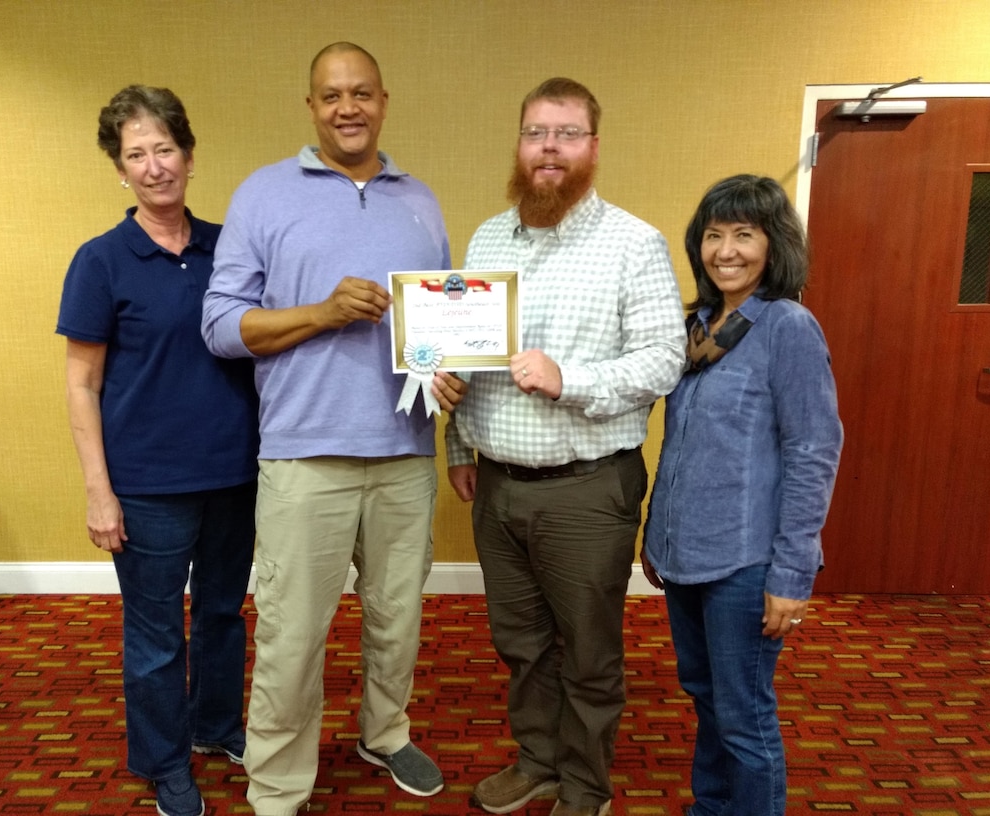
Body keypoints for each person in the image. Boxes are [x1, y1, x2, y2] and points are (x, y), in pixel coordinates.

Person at [201, 42, 466, 816]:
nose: (347, 107)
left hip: (405, 456)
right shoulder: (263, 195)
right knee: (291, 635)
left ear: (384, 100)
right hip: (303, 456)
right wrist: (321, 312)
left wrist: (447, 373)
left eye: (361, 93)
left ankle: (385, 734)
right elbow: (220, 325)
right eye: (330, 96)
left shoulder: (420, 201)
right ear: (310, 107)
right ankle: (278, 786)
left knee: (398, 620)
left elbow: (441, 328)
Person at [444, 78, 687, 816]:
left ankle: (586, 786)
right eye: (536, 133)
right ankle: (539, 760)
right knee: (520, 643)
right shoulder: (488, 238)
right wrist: (457, 436)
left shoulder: (632, 244)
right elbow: (463, 350)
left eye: (567, 133)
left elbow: (662, 360)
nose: (549, 148)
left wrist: (567, 377)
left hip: (587, 487)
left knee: (586, 652)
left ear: (593, 146)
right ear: (519, 144)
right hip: (497, 485)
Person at [57, 85, 260, 816]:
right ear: (119, 169)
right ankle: (165, 760)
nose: (153, 166)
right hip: (146, 485)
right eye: (135, 154)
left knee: (222, 614)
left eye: (164, 149)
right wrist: (97, 491)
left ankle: (215, 728)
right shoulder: (102, 260)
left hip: (235, 474)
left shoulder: (229, 248)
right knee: (153, 638)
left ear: (190, 156)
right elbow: (82, 384)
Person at [641, 174, 844, 816]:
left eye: (744, 235)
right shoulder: (696, 328)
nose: (726, 250)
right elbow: (683, 446)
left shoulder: (787, 326)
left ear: (773, 244)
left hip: (746, 562)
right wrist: (655, 532)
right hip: (685, 554)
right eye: (713, 234)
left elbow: (814, 451)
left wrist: (790, 573)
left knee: (743, 715)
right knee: (706, 696)